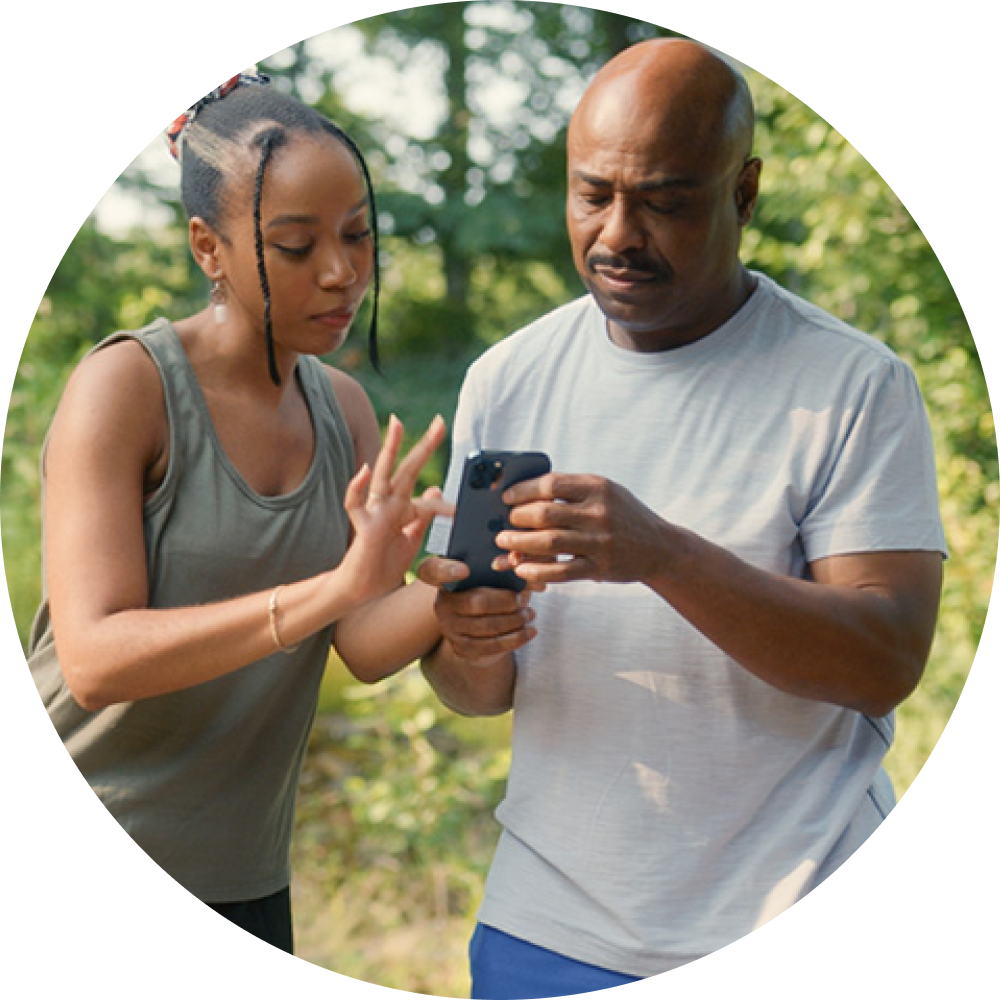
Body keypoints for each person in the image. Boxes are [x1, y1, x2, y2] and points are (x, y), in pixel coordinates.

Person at [417, 38, 947, 994]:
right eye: (592, 194)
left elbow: (886, 660)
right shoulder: (508, 377)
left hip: (784, 892)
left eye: (664, 201)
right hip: (547, 925)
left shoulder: (854, 385)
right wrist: (471, 639)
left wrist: (661, 554)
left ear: (743, 194)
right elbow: (474, 693)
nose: (619, 233)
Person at [26, 72, 451, 953]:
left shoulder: (347, 411)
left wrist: (470, 578)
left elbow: (364, 643)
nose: (341, 272)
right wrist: (333, 588)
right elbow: (95, 658)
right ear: (207, 248)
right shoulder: (126, 388)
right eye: (295, 247)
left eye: (359, 235)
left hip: (246, 882)